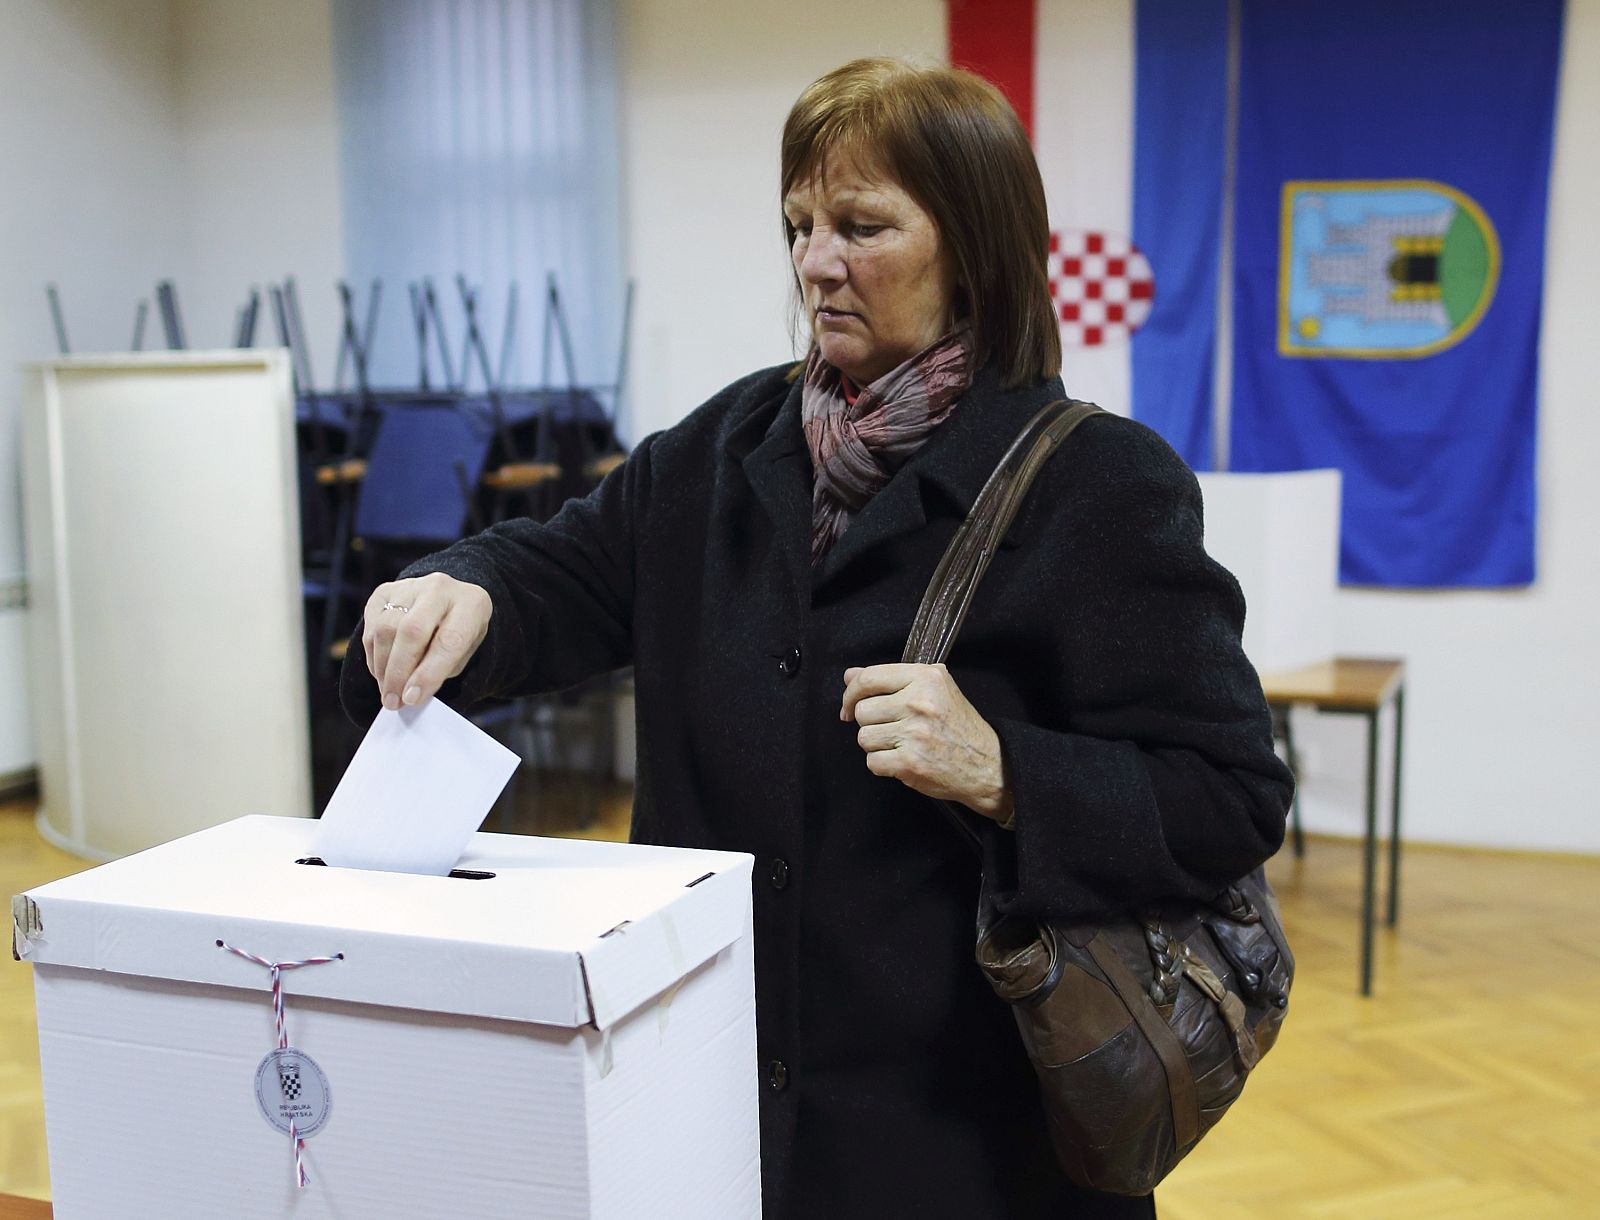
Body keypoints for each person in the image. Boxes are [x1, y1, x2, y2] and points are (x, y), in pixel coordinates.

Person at [343, 57, 1292, 1220]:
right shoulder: (726, 444)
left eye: (861, 225)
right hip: (710, 1100)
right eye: (799, 225)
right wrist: (463, 587)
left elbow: (1229, 797)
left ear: (976, 247)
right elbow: (564, 566)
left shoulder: (1097, 483)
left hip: (968, 1147)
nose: (815, 262)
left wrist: (1006, 772)